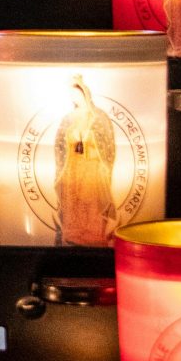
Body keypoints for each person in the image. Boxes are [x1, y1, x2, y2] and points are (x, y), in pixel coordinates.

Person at [53, 77, 119, 247]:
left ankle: (94, 236)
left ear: (85, 94)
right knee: (74, 203)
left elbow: (106, 144)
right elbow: (60, 144)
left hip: (92, 167)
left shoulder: (98, 118)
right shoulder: (68, 119)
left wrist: (92, 145)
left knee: (91, 203)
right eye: (72, 95)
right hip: (72, 168)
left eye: (77, 94)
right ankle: (73, 236)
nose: (74, 98)